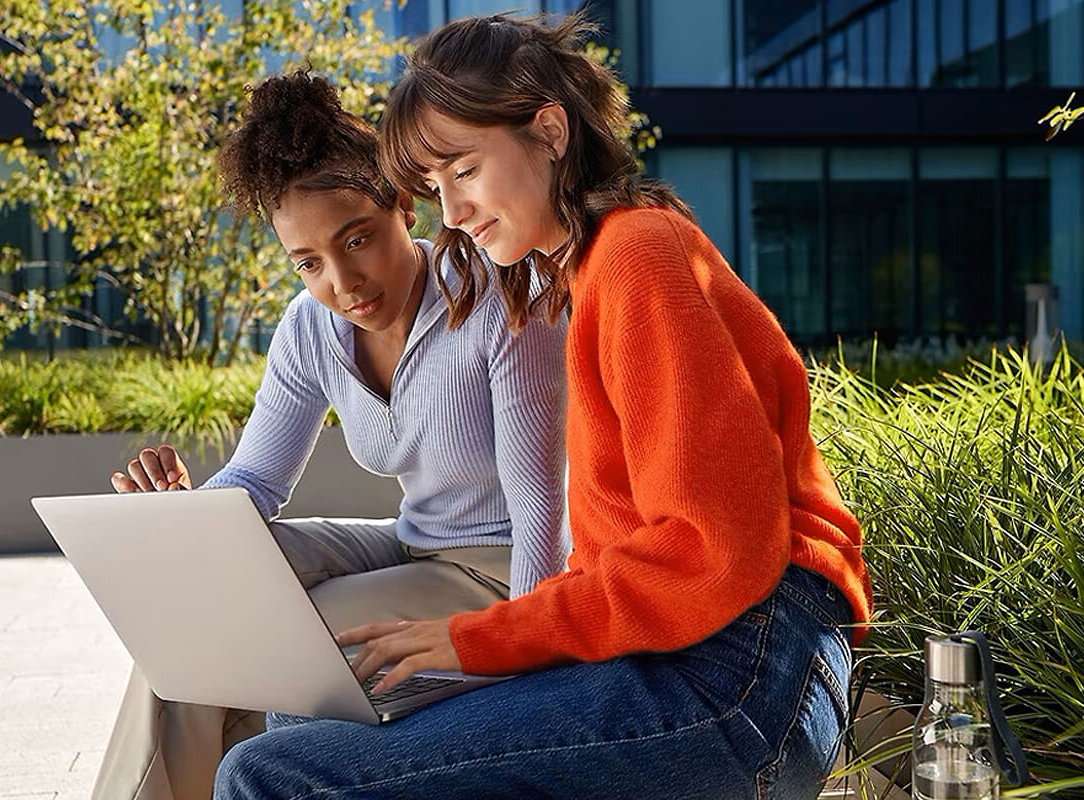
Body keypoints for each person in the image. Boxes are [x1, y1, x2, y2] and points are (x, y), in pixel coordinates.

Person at [214, 13, 874, 800]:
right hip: (696, 656)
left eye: (462, 170)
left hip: (746, 669)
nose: (450, 213)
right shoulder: (588, 271)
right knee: (306, 732)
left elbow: (709, 550)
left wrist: (482, 637)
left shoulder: (639, 256)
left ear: (550, 131)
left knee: (271, 774)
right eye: (434, 187)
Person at [92, 69, 569, 800]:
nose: (342, 283)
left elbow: (542, 504)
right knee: (202, 595)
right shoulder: (310, 327)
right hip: (411, 541)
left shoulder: (495, 295)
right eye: (309, 262)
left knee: (249, 642)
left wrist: (532, 653)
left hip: (501, 568)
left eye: (358, 239)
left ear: (402, 205)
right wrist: (181, 525)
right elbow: (254, 484)